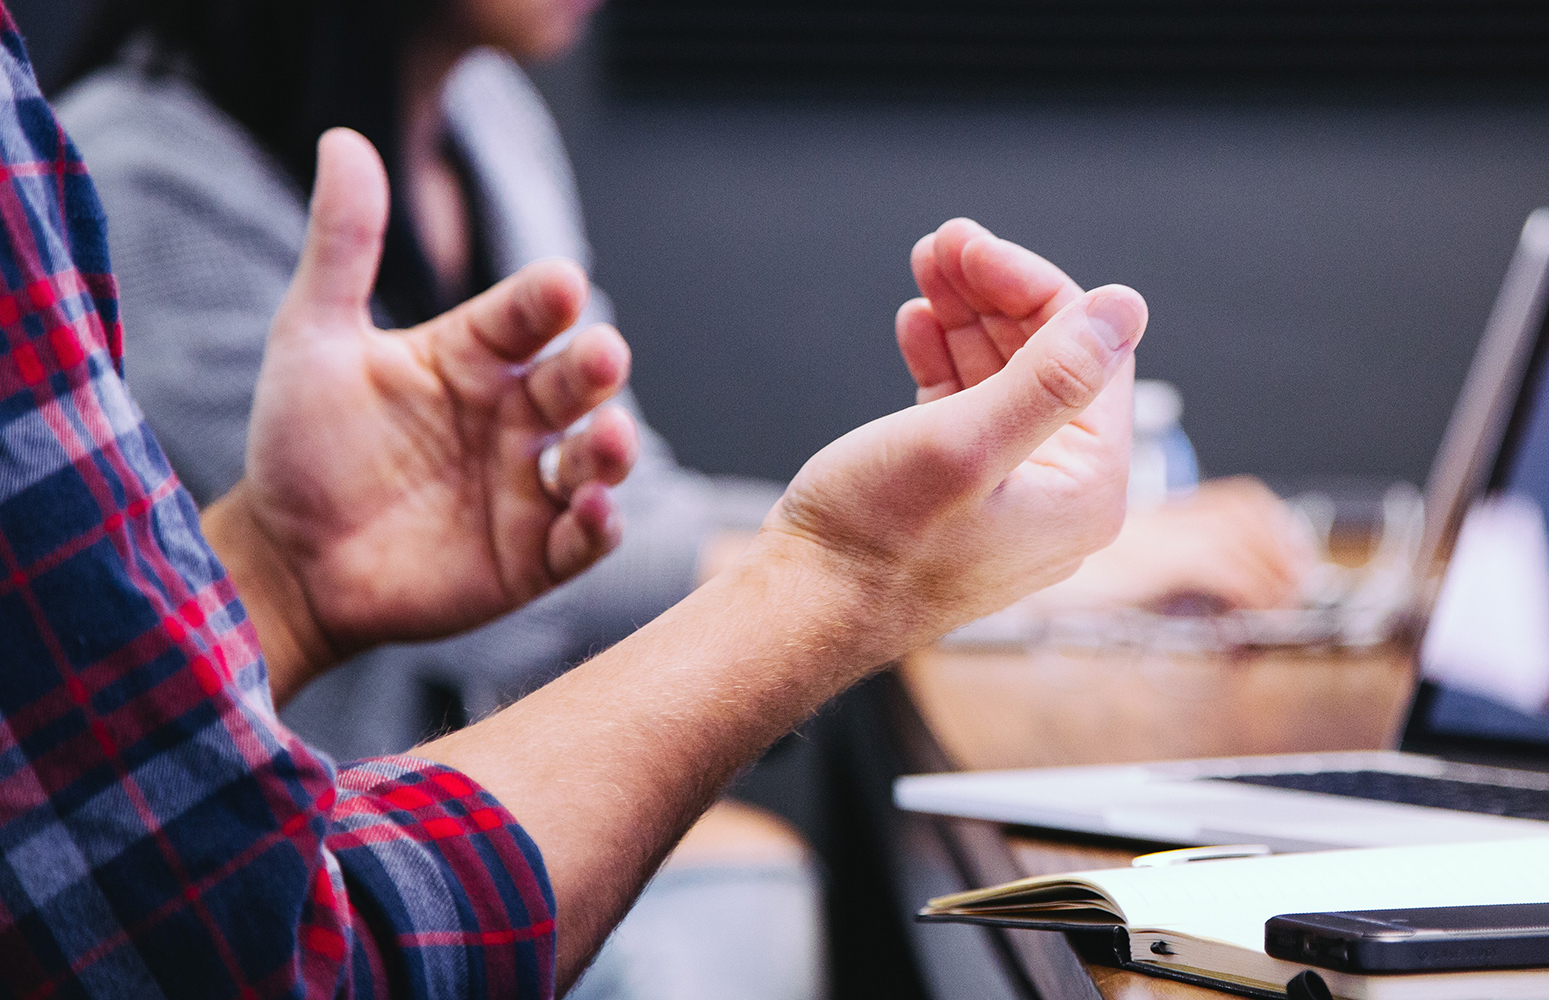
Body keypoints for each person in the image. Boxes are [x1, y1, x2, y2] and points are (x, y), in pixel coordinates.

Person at [0, 1, 1153, 991]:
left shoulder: (486, 117)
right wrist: (867, 569)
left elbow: (612, 503)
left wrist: (284, 576)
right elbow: (247, 948)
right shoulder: (141, 176)